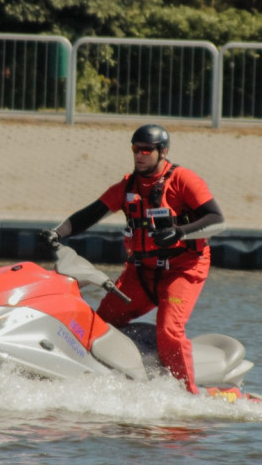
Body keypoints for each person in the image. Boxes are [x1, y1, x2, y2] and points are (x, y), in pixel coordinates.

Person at [40, 124, 224, 394]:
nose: (139, 155)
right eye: (135, 149)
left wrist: (179, 232)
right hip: (142, 272)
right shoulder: (128, 185)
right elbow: (91, 213)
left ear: (163, 152)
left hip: (183, 270)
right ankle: (95, 380)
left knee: (170, 331)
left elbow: (217, 220)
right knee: (98, 324)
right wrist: (57, 232)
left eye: (146, 150)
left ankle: (188, 395)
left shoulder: (184, 180)